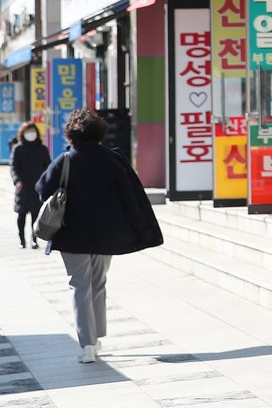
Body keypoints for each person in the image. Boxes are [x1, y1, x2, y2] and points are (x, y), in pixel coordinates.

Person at [36, 109, 163, 363]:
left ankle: (87, 344)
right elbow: (130, 197)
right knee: (98, 283)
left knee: (79, 286)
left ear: (71, 135)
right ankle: (97, 337)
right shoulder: (112, 159)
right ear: (100, 133)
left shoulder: (66, 160)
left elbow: (42, 188)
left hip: (72, 235)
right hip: (107, 235)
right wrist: (140, 229)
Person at [11, 120, 50, 248]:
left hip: (37, 187)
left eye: (33, 131)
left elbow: (48, 167)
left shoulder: (42, 149)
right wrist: (17, 180)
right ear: (22, 133)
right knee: (21, 215)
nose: (31, 133)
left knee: (35, 215)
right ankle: (22, 240)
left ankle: (34, 239)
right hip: (22, 187)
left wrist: (47, 181)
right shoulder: (18, 149)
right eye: (28, 131)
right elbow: (14, 167)